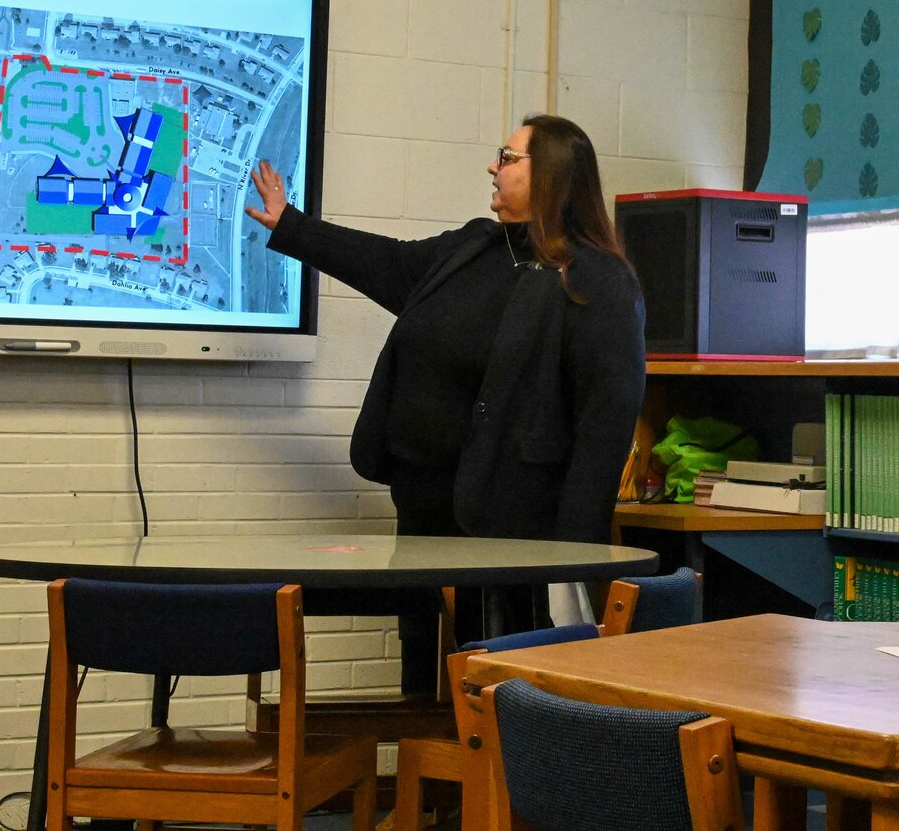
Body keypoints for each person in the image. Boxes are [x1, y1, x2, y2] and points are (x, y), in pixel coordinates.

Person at [245, 113, 645, 689]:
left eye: (507, 158)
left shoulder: (595, 280)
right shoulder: (472, 248)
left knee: (496, 683)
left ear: (551, 174)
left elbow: (605, 428)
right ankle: (426, 776)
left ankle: (487, 776)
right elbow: (382, 261)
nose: (493, 166)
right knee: (423, 674)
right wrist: (291, 225)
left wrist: (571, 557)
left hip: (513, 533)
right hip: (424, 517)